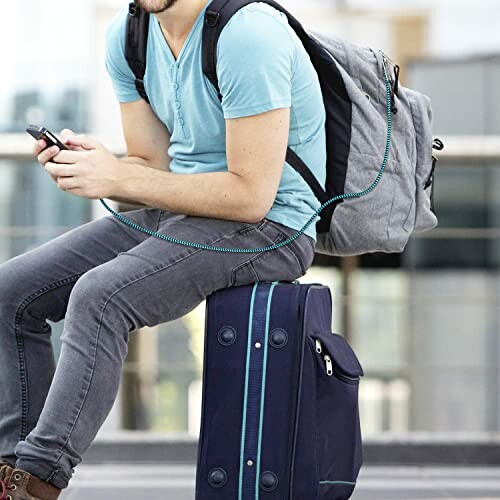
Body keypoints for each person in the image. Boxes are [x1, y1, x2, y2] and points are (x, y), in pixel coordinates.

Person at [0, 0, 326, 497]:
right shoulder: (129, 37)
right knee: (10, 294)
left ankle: (36, 482)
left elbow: (250, 196)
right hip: (183, 213)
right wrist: (97, 169)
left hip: (272, 226)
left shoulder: (249, 36)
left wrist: (120, 176)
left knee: (101, 296)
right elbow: (152, 168)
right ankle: (9, 469)